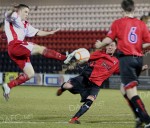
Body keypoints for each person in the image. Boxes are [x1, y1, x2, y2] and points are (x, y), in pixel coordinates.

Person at [95, 0, 150, 128]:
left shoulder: (118, 23)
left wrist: (100, 45)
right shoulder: (141, 24)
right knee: (123, 89)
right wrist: (137, 47)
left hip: (127, 59)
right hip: (138, 59)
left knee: (131, 91)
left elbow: (109, 39)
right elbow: (148, 42)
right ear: (134, 9)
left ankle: (146, 119)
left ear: (122, 10)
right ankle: (138, 117)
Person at [2, 4, 66, 100]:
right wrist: (12, 10)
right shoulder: (14, 16)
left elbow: (37, 32)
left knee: (30, 74)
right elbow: (7, 15)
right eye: (25, 12)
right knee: (40, 49)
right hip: (16, 45)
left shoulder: (26, 24)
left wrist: (50, 32)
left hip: (16, 52)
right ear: (19, 11)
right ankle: (65, 58)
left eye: (28, 12)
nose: (27, 14)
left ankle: (8, 86)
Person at [57, 41, 120, 124]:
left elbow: (125, 71)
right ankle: (62, 88)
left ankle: (74, 119)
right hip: (85, 77)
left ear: (116, 48)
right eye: (108, 45)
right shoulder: (99, 53)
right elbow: (86, 58)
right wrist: (77, 58)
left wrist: (140, 68)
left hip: (95, 84)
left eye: (112, 46)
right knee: (68, 86)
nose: (110, 47)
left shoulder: (116, 62)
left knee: (90, 100)